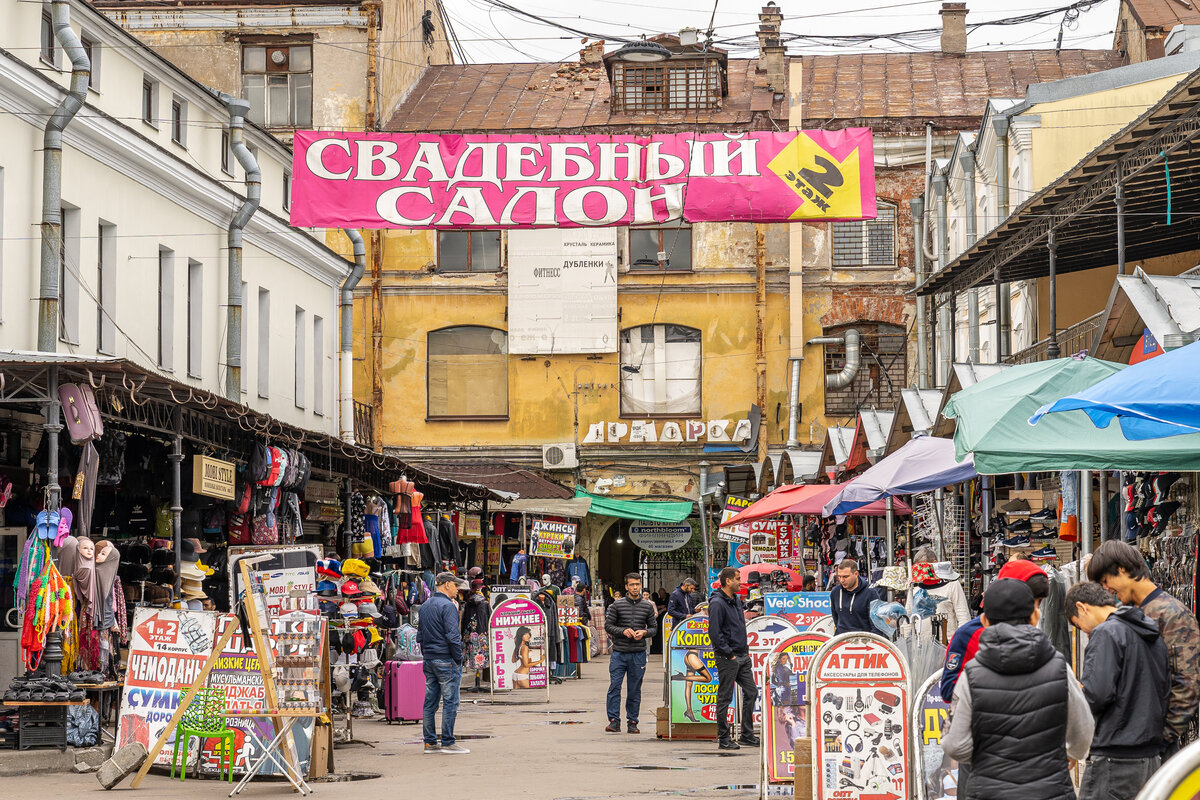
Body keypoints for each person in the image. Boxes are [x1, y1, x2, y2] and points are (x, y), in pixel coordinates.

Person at [942, 579, 1093, 800]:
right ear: (1035, 616)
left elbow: (955, 745)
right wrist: (1067, 753)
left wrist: (984, 757)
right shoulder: (1060, 668)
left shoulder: (971, 676)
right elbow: (1084, 731)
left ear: (984, 621)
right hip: (1051, 791)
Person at [1088, 540, 1200, 755]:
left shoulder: (1172, 614)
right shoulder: (1124, 612)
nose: (1106, 589)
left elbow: (1187, 685)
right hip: (1127, 747)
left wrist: (1160, 740)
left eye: (1106, 580)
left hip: (1155, 749)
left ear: (1122, 569)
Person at [1066, 581, 1169, 800]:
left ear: (1082, 607)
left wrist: (1079, 693)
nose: (1084, 632)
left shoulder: (1106, 634)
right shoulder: (1151, 634)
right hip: (1150, 758)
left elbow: (1097, 695)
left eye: (1079, 624)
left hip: (1114, 761)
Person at [940, 558, 1049, 702]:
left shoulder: (1037, 634)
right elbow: (948, 690)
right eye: (1030, 602)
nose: (1035, 610)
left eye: (1038, 603)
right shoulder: (967, 635)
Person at [416, 571, 470, 754]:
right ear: (447, 585)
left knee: (430, 702)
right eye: (455, 585)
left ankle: (430, 743)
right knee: (450, 701)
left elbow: (420, 636)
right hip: (446, 659)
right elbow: (453, 637)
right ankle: (448, 742)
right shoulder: (448, 606)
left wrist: (428, 654)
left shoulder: (425, 606)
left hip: (430, 659)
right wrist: (458, 658)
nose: (457, 589)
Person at [708, 566, 759, 751]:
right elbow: (714, 632)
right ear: (728, 581)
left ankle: (746, 734)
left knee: (752, 692)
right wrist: (729, 654)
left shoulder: (736, 599)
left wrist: (742, 651)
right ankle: (724, 737)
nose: (740, 582)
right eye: (737, 578)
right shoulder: (717, 603)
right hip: (727, 657)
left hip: (741, 655)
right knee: (725, 697)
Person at [603, 572, 657, 734]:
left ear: (640, 586)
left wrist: (644, 633)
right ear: (626, 587)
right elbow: (608, 626)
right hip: (619, 653)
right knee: (615, 686)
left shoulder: (647, 606)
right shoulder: (617, 606)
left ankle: (632, 721)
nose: (635, 587)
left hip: (638, 654)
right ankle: (614, 721)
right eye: (632, 585)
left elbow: (654, 628)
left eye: (637, 584)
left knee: (635, 689)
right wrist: (623, 631)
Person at [909, 547, 971, 638]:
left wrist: (958, 642)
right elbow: (908, 615)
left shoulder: (952, 584)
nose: (920, 572)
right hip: (921, 645)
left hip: (946, 643)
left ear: (934, 563)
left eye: (923, 567)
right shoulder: (915, 587)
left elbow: (963, 616)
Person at [829, 559, 880, 635]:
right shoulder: (835, 592)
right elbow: (835, 617)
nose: (842, 580)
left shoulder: (870, 593)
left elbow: (877, 625)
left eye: (845, 577)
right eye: (839, 576)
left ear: (856, 574)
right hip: (841, 641)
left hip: (864, 641)